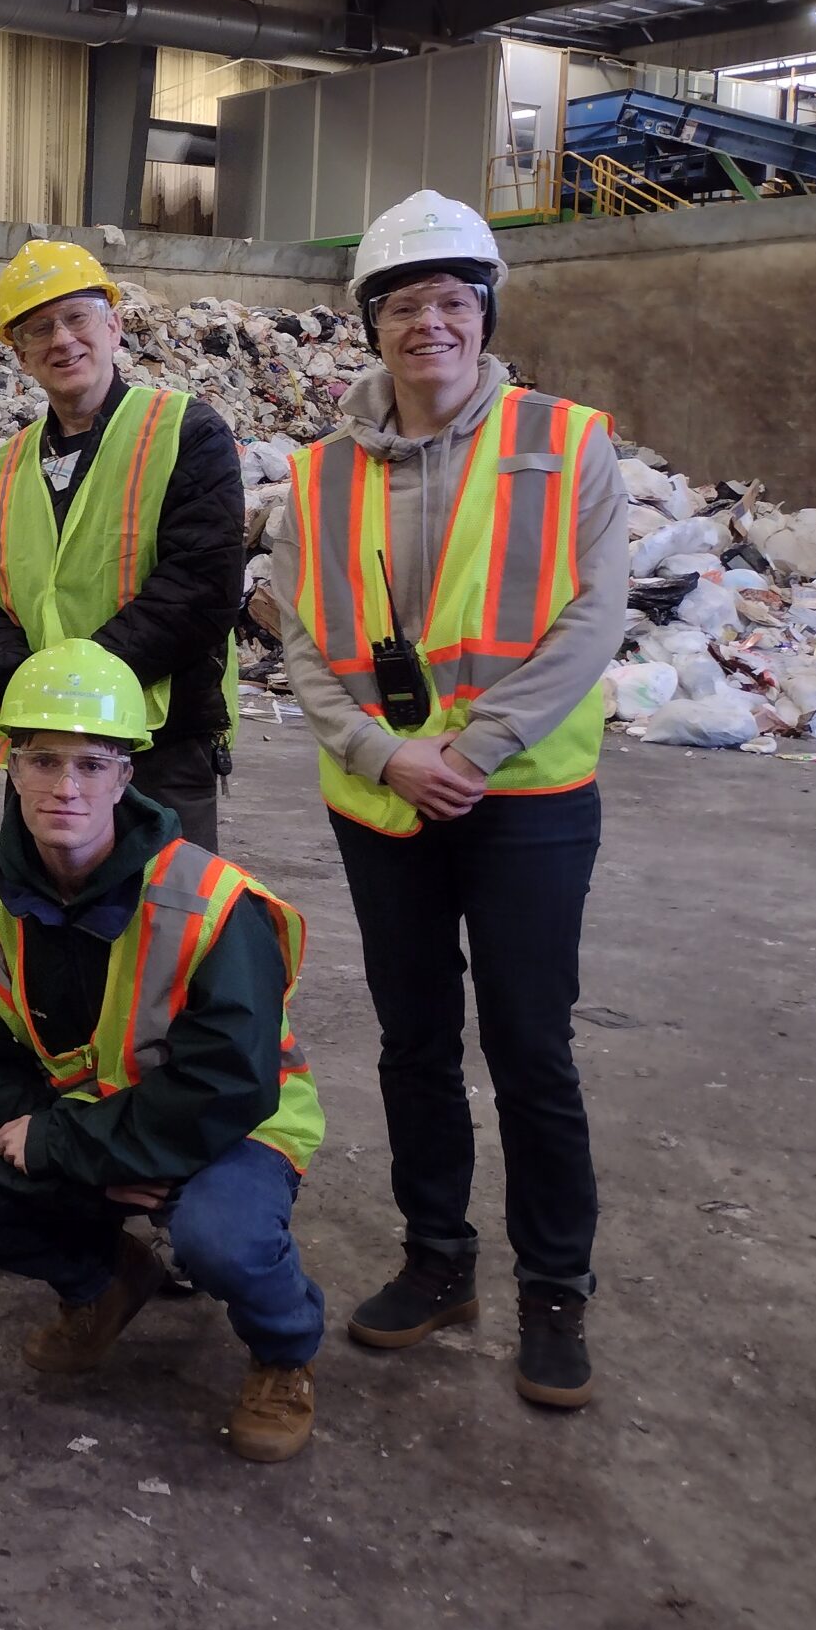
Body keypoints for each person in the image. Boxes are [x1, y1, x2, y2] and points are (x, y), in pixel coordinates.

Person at [274, 190, 625, 1410]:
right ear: (370, 325)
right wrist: (384, 755)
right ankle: (438, 1261)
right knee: (414, 1041)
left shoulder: (569, 443)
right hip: (380, 807)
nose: (429, 324)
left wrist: (472, 750)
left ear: (484, 313)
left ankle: (554, 1285)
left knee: (530, 1046)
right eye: (403, 304)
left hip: (524, 798)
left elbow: (592, 620)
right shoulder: (314, 477)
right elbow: (304, 645)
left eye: (450, 301)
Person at [0, 642, 326, 1462]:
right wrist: (78, 1149)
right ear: (8, 768)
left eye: (92, 764)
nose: (66, 787)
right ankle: (106, 1282)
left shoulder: (211, 902)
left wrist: (68, 1145)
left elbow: (230, 1080)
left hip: (236, 1132)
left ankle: (284, 1351)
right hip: (92, 1131)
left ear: (127, 779)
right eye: (43, 760)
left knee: (220, 1238)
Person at [0, 241, 243, 849]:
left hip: (157, 741)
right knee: (42, 925)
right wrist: (32, 692)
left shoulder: (186, 431)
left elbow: (200, 591)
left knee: (163, 922)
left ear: (114, 324)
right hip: (40, 751)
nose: (61, 339)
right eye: (38, 328)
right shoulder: (1, 470)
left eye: (77, 317)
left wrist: (71, 692)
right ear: (19, 354)